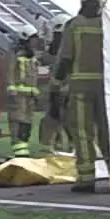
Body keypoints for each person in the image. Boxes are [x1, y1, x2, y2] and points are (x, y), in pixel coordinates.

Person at [54, 0, 110, 193]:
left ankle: (86, 177)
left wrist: (56, 85)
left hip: (80, 86)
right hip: (107, 88)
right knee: (108, 131)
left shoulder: (74, 25)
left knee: (82, 132)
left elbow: (65, 58)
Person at [36, 12, 71, 154]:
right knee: (53, 118)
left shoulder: (69, 46)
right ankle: (52, 148)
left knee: (66, 120)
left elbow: (59, 62)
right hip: (59, 90)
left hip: (68, 90)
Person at [6, 24, 41, 157]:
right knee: (17, 122)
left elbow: (34, 75)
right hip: (18, 96)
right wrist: (11, 88)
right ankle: (19, 153)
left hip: (30, 96)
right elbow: (9, 72)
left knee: (27, 123)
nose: (35, 42)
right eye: (33, 39)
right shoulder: (14, 54)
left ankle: (23, 151)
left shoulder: (32, 56)